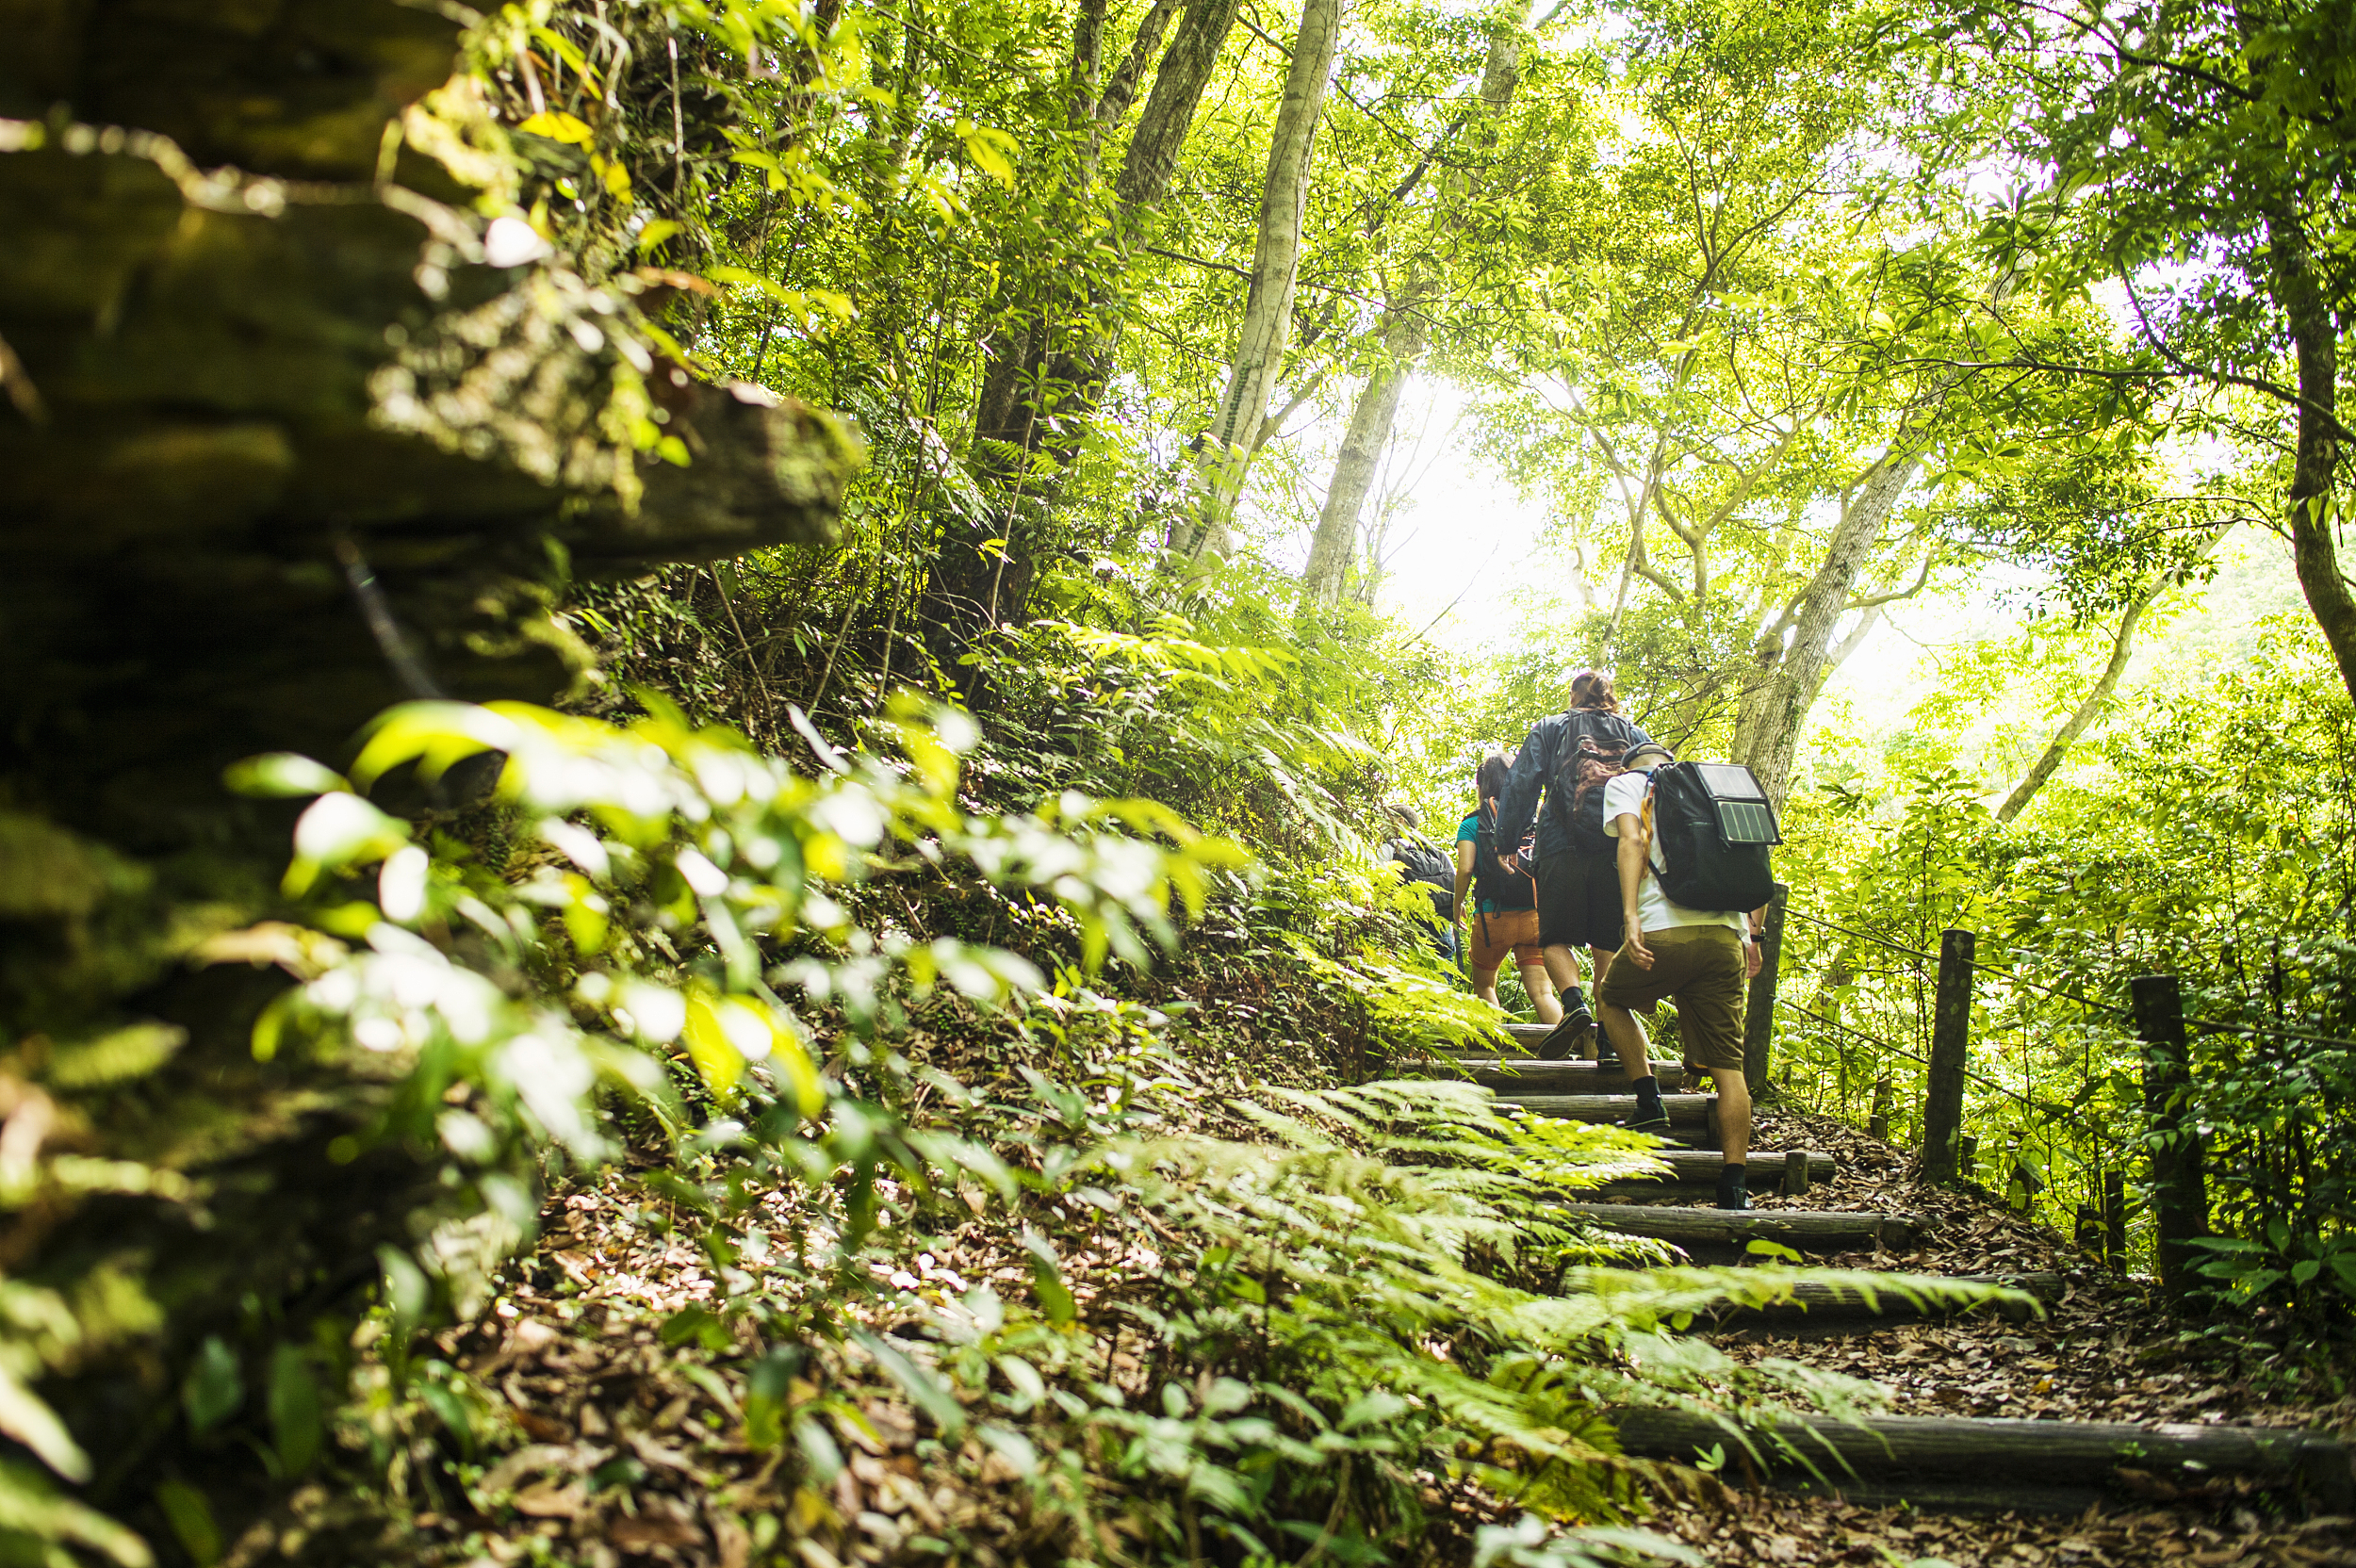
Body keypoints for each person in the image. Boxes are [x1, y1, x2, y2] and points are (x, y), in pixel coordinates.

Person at [1593, 739, 1770, 1211]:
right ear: (1670, 762)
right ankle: (1735, 1185)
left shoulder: (1627, 784)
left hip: (1662, 932)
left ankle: (1649, 1100)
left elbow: (1632, 840)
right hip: (1726, 939)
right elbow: (1756, 863)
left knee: (1611, 998)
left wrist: (1631, 916)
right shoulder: (1717, 787)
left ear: (1631, 764)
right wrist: (1754, 936)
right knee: (1730, 1069)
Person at [1491, 670, 1657, 1059]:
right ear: (1610, 698)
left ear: (1573, 697)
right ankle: (1610, 1040)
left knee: (1554, 937)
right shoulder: (1635, 735)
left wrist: (1507, 841)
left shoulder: (1551, 727)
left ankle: (1574, 1003)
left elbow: (1521, 783)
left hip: (1559, 844)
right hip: (1618, 851)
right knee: (1608, 944)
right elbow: (1658, 790)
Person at [1451, 751, 1563, 1023]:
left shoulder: (1472, 824)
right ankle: (1564, 1042)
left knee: (1485, 986)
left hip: (1493, 918)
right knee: (1542, 991)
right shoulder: (1534, 818)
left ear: (1482, 785)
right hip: (1535, 915)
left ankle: (1498, 1043)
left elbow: (1465, 869)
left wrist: (1457, 906)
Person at [1378, 800, 1460, 966]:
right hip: (1440, 925)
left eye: (1385, 821)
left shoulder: (1389, 848)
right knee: (1442, 973)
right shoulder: (1436, 852)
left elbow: (1378, 886)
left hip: (1403, 925)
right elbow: (1455, 883)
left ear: (1400, 821)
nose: (1381, 827)